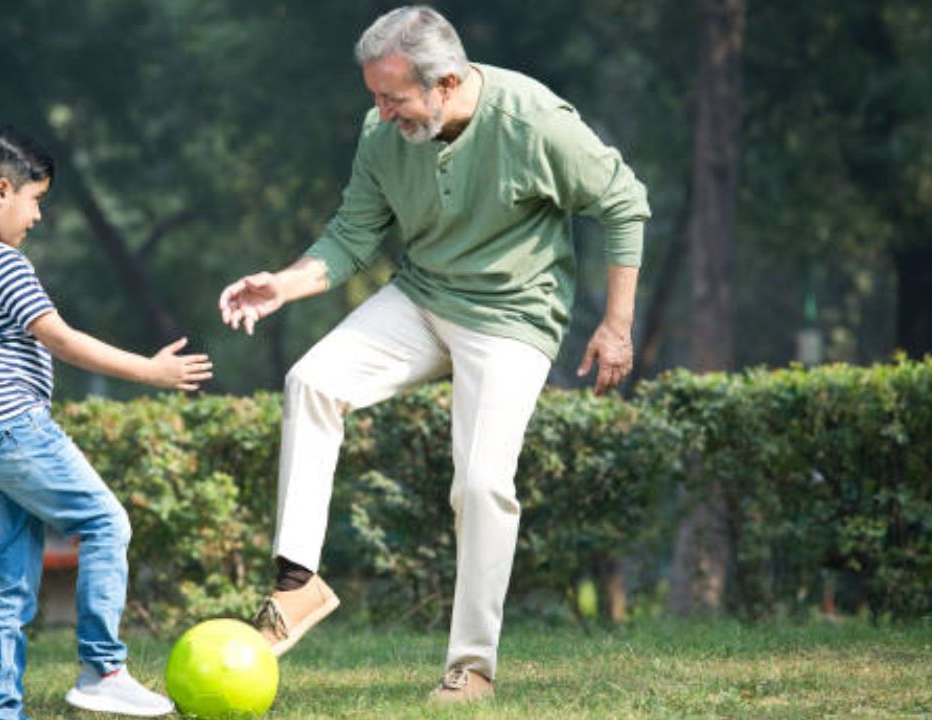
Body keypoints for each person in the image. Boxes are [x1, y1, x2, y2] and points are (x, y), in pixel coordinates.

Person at [218, 5, 649, 704]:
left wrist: (618, 324)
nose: (382, 113)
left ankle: (471, 666)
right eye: (374, 98)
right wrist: (285, 285)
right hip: (422, 296)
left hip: (513, 315)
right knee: (312, 381)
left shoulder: (532, 120)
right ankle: (297, 587)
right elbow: (352, 236)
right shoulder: (381, 133)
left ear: (447, 82)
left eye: (393, 97)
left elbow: (624, 202)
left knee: (481, 483)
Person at [0, 123, 212, 719]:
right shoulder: (2, 264)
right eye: (36, 200)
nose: (36, 217)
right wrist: (149, 371)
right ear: (1, 191)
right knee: (107, 523)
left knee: (10, 580)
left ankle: (0, 710)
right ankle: (102, 668)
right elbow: (60, 339)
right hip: (8, 422)